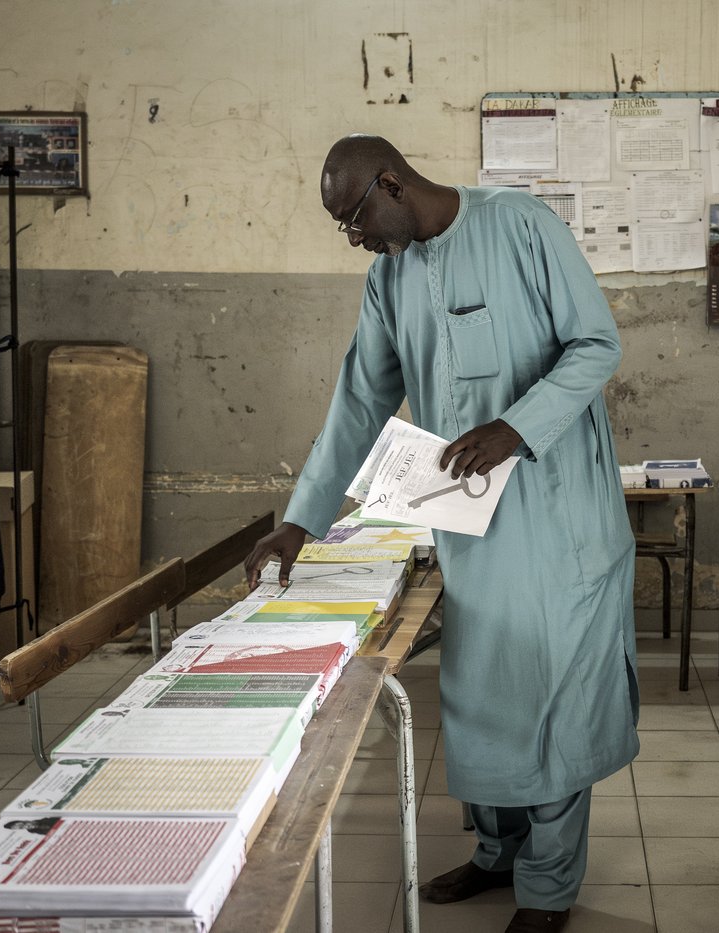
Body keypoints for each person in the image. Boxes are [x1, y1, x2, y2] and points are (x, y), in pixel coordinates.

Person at [244, 135, 639, 933]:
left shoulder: (521, 224)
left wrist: (514, 428)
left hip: (559, 517)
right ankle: (498, 855)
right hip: (473, 528)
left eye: (354, 218)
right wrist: (298, 520)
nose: (355, 238)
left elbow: (597, 344)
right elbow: (360, 401)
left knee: (553, 702)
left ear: (390, 182)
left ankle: (548, 888)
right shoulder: (389, 279)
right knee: (480, 698)